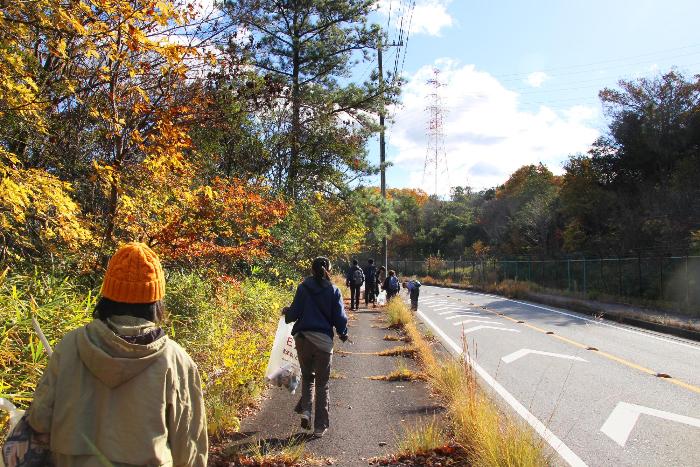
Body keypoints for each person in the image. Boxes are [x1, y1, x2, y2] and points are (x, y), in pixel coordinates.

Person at [25, 242, 208, 466]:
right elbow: (189, 446)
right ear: (156, 301)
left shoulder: (70, 346)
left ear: (107, 295)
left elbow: (39, 420)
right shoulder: (175, 360)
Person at [283, 257, 348, 438]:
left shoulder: (303, 287)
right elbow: (340, 318)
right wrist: (343, 332)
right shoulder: (333, 290)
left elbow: (294, 313)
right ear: (328, 269)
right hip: (322, 343)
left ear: (312, 270)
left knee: (307, 378)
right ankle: (319, 427)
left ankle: (306, 412)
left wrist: (286, 313)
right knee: (322, 383)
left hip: (302, 339)